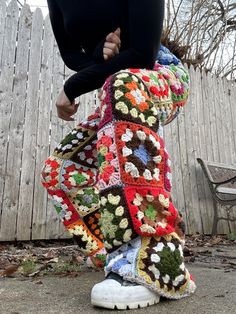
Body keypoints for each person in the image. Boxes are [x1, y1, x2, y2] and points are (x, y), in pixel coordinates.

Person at [41, 0, 196, 310]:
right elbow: (73, 55)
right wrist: (101, 53)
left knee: (123, 84)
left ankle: (154, 260)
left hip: (160, 74)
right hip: (116, 85)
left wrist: (73, 87)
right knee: (61, 168)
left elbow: (143, 53)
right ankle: (111, 250)